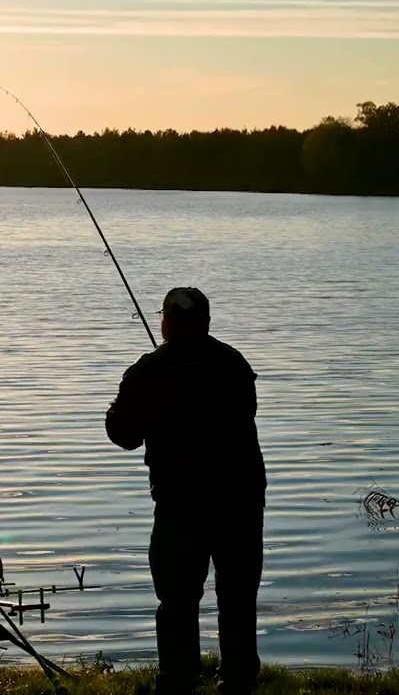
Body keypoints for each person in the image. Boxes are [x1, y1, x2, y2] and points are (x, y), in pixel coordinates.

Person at [105, 287, 266, 694]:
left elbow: (123, 434)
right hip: (241, 500)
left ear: (166, 322)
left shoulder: (149, 371)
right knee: (238, 597)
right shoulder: (234, 364)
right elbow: (247, 410)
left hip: (181, 504)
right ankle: (240, 681)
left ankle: (178, 682)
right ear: (207, 322)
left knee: (177, 601)